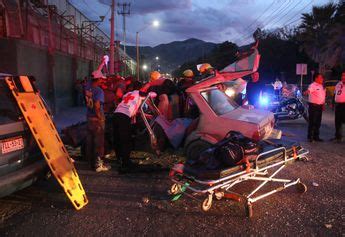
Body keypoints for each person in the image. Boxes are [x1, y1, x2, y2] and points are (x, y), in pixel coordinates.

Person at [113, 90, 157, 171]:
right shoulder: (140, 94)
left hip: (116, 114)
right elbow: (151, 95)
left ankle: (119, 158)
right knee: (126, 140)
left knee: (118, 139)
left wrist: (146, 115)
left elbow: (135, 108)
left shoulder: (128, 93)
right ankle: (126, 163)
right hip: (124, 116)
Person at [84, 71, 111, 172]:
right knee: (99, 143)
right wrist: (100, 117)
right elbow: (97, 106)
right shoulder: (99, 91)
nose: (102, 80)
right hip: (96, 119)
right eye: (101, 79)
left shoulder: (87, 88)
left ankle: (90, 163)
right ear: (99, 79)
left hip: (89, 117)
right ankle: (98, 165)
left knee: (90, 142)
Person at [304, 73, 326, 142]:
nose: (322, 79)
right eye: (320, 78)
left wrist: (323, 104)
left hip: (320, 106)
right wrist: (306, 92)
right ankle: (310, 137)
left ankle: (316, 136)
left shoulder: (321, 86)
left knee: (318, 122)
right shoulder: (313, 85)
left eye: (322, 78)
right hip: (314, 106)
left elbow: (322, 96)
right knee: (312, 122)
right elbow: (309, 90)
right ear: (316, 78)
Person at [331, 71, 345, 142]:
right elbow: (335, 94)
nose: (343, 77)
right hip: (338, 105)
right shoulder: (338, 84)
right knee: (338, 121)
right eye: (342, 75)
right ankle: (337, 137)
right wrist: (333, 103)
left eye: (344, 76)